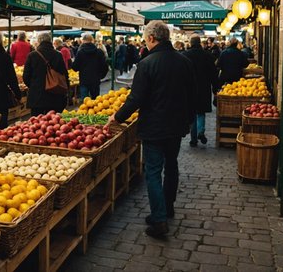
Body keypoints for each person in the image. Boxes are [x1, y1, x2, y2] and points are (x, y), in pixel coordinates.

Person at [108, 20, 196, 238]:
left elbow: (136, 98)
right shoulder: (184, 62)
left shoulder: (147, 64)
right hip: (176, 126)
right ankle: (167, 207)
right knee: (172, 165)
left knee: (154, 171)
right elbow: (192, 95)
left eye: (145, 39)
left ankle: (159, 219)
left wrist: (117, 117)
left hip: (154, 127)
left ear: (151, 38)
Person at [182, 34, 219, 147]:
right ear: (200, 43)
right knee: (201, 112)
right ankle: (201, 131)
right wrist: (215, 88)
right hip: (204, 87)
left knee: (192, 112)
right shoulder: (207, 55)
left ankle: (193, 139)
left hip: (189, 88)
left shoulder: (185, 55)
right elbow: (214, 73)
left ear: (191, 43)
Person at [23, 32, 69, 116]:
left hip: (37, 96)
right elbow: (64, 74)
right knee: (53, 123)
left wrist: (34, 86)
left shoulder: (32, 55)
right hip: (54, 95)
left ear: (39, 41)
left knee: (36, 124)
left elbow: (26, 77)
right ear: (50, 41)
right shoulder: (58, 55)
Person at [72, 34, 108, 100]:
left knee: (85, 103)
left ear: (83, 41)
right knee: (96, 102)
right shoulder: (99, 52)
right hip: (95, 80)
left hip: (84, 80)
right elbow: (105, 67)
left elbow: (75, 67)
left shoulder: (80, 52)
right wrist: (101, 76)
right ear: (92, 41)